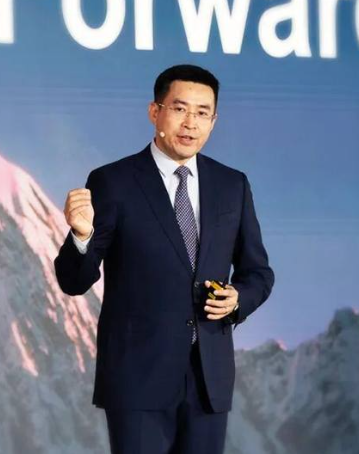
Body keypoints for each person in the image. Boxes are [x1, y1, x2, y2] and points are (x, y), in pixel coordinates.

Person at [54, 64, 275, 454]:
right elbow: (74, 281)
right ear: (155, 112)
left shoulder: (232, 185)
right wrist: (82, 236)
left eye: (203, 113)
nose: (191, 123)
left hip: (208, 378)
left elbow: (258, 272)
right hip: (137, 378)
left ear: (214, 121)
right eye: (180, 109)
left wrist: (239, 298)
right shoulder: (113, 181)